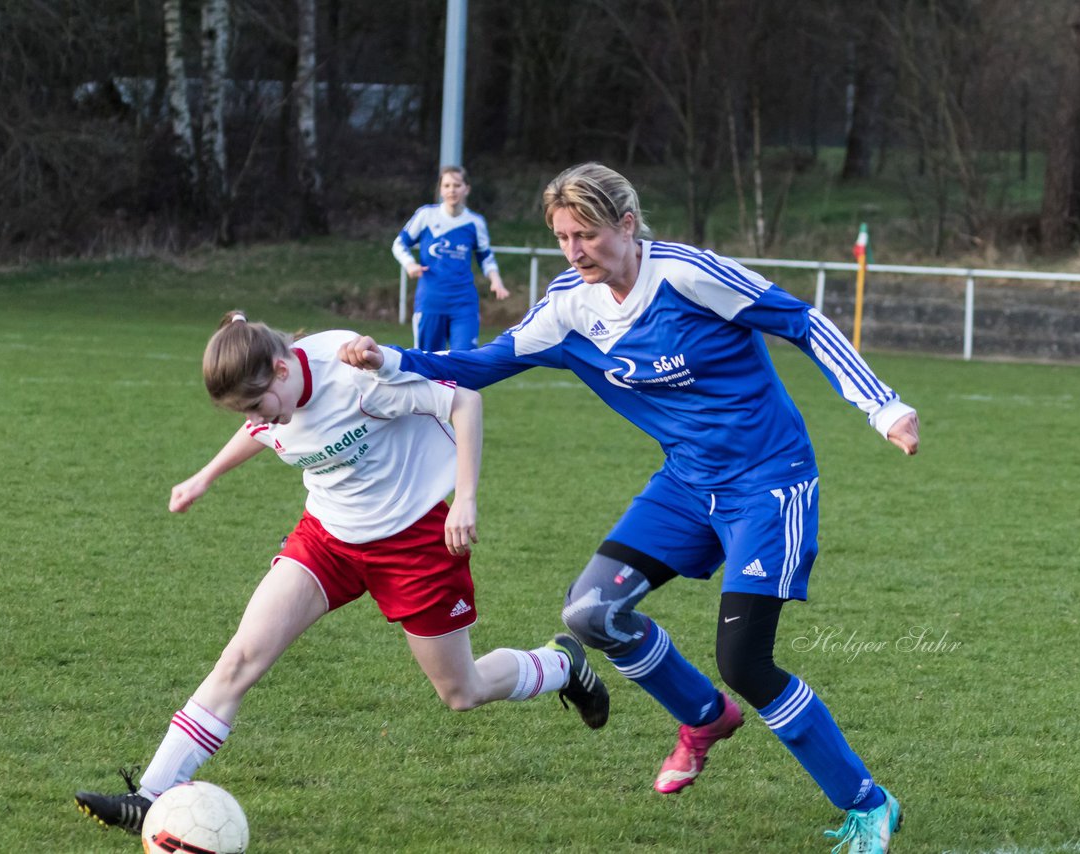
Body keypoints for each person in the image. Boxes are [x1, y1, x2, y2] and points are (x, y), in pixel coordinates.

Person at [340, 163, 919, 853]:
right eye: (562, 238)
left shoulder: (686, 275)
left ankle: (868, 802)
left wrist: (883, 406)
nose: (575, 251)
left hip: (768, 482)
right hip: (685, 485)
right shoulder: (567, 307)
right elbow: (483, 364)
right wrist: (392, 358)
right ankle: (702, 717)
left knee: (747, 662)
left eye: (586, 234)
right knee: (590, 612)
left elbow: (803, 323)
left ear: (627, 225)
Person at [75, 311, 608, 837]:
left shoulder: (359, 378)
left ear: (282, 370)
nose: (265, 420)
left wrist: (465, 498)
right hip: (327, 538)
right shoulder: (272, 395)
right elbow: (259, 428)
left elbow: (464, 400)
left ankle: (561, 665)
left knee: (461, 691)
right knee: (240, 657)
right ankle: (150, 798)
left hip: (413, 539)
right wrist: (205, 476)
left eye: (262, 406)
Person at [393, 165, 510, 352]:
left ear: (467, 189)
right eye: (446, 185)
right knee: (427, 363)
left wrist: (496, 281)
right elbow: (399, 243)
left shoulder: (475, 222)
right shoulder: (426, 215)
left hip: (463, 303)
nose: (451, 190)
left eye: (457, 185)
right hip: (430, 301)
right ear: (440, 189)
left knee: (464, 361)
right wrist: (410, 264)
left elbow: (485, 257)